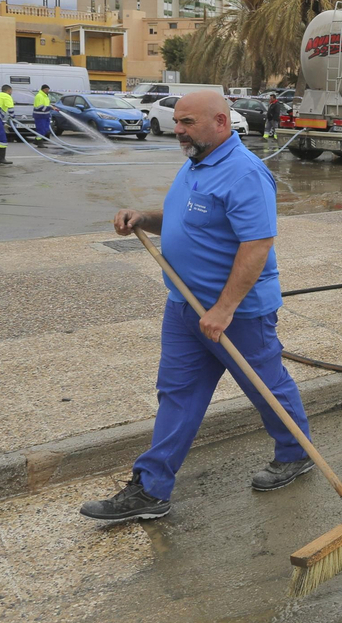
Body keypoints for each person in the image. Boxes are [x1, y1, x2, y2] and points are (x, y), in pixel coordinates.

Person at [80, 92, 312, 523]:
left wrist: (224, 309)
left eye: (187, 121)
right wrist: (143, 219)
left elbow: (257, 244)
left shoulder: (245, 173)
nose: (178, 130)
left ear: (220, 122)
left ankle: (296, 453)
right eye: (177, 121)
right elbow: (183, 218)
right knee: (177, 394)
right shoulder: (196, 163)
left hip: (238, 314)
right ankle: (150, 489)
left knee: (266, 387)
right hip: (185, 306)